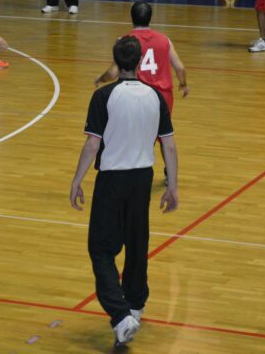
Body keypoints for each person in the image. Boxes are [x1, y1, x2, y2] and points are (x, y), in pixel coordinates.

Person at [70, 35, 178, 348]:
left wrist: (77, 180)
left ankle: (120, 316)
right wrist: (172, 187)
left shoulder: (104, 96)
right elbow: (168, 144)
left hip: (113, 180)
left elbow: (92, 144)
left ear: (116, 63)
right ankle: (135, 305)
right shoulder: (156, 97)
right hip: (143, 178)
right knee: (136, 241)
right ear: (141, 59)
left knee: (101, 249)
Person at [94, 2, 188, 182]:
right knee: (164, 135)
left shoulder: (126, 41)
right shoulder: (164, 40)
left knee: (135, 134)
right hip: (163, 97)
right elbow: (180, 68)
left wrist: (101, 79)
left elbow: (113, 73)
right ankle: (170, 172)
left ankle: (132, 168)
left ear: (131, 18)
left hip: (137, 93)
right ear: (150, 18)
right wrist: (183, 84)